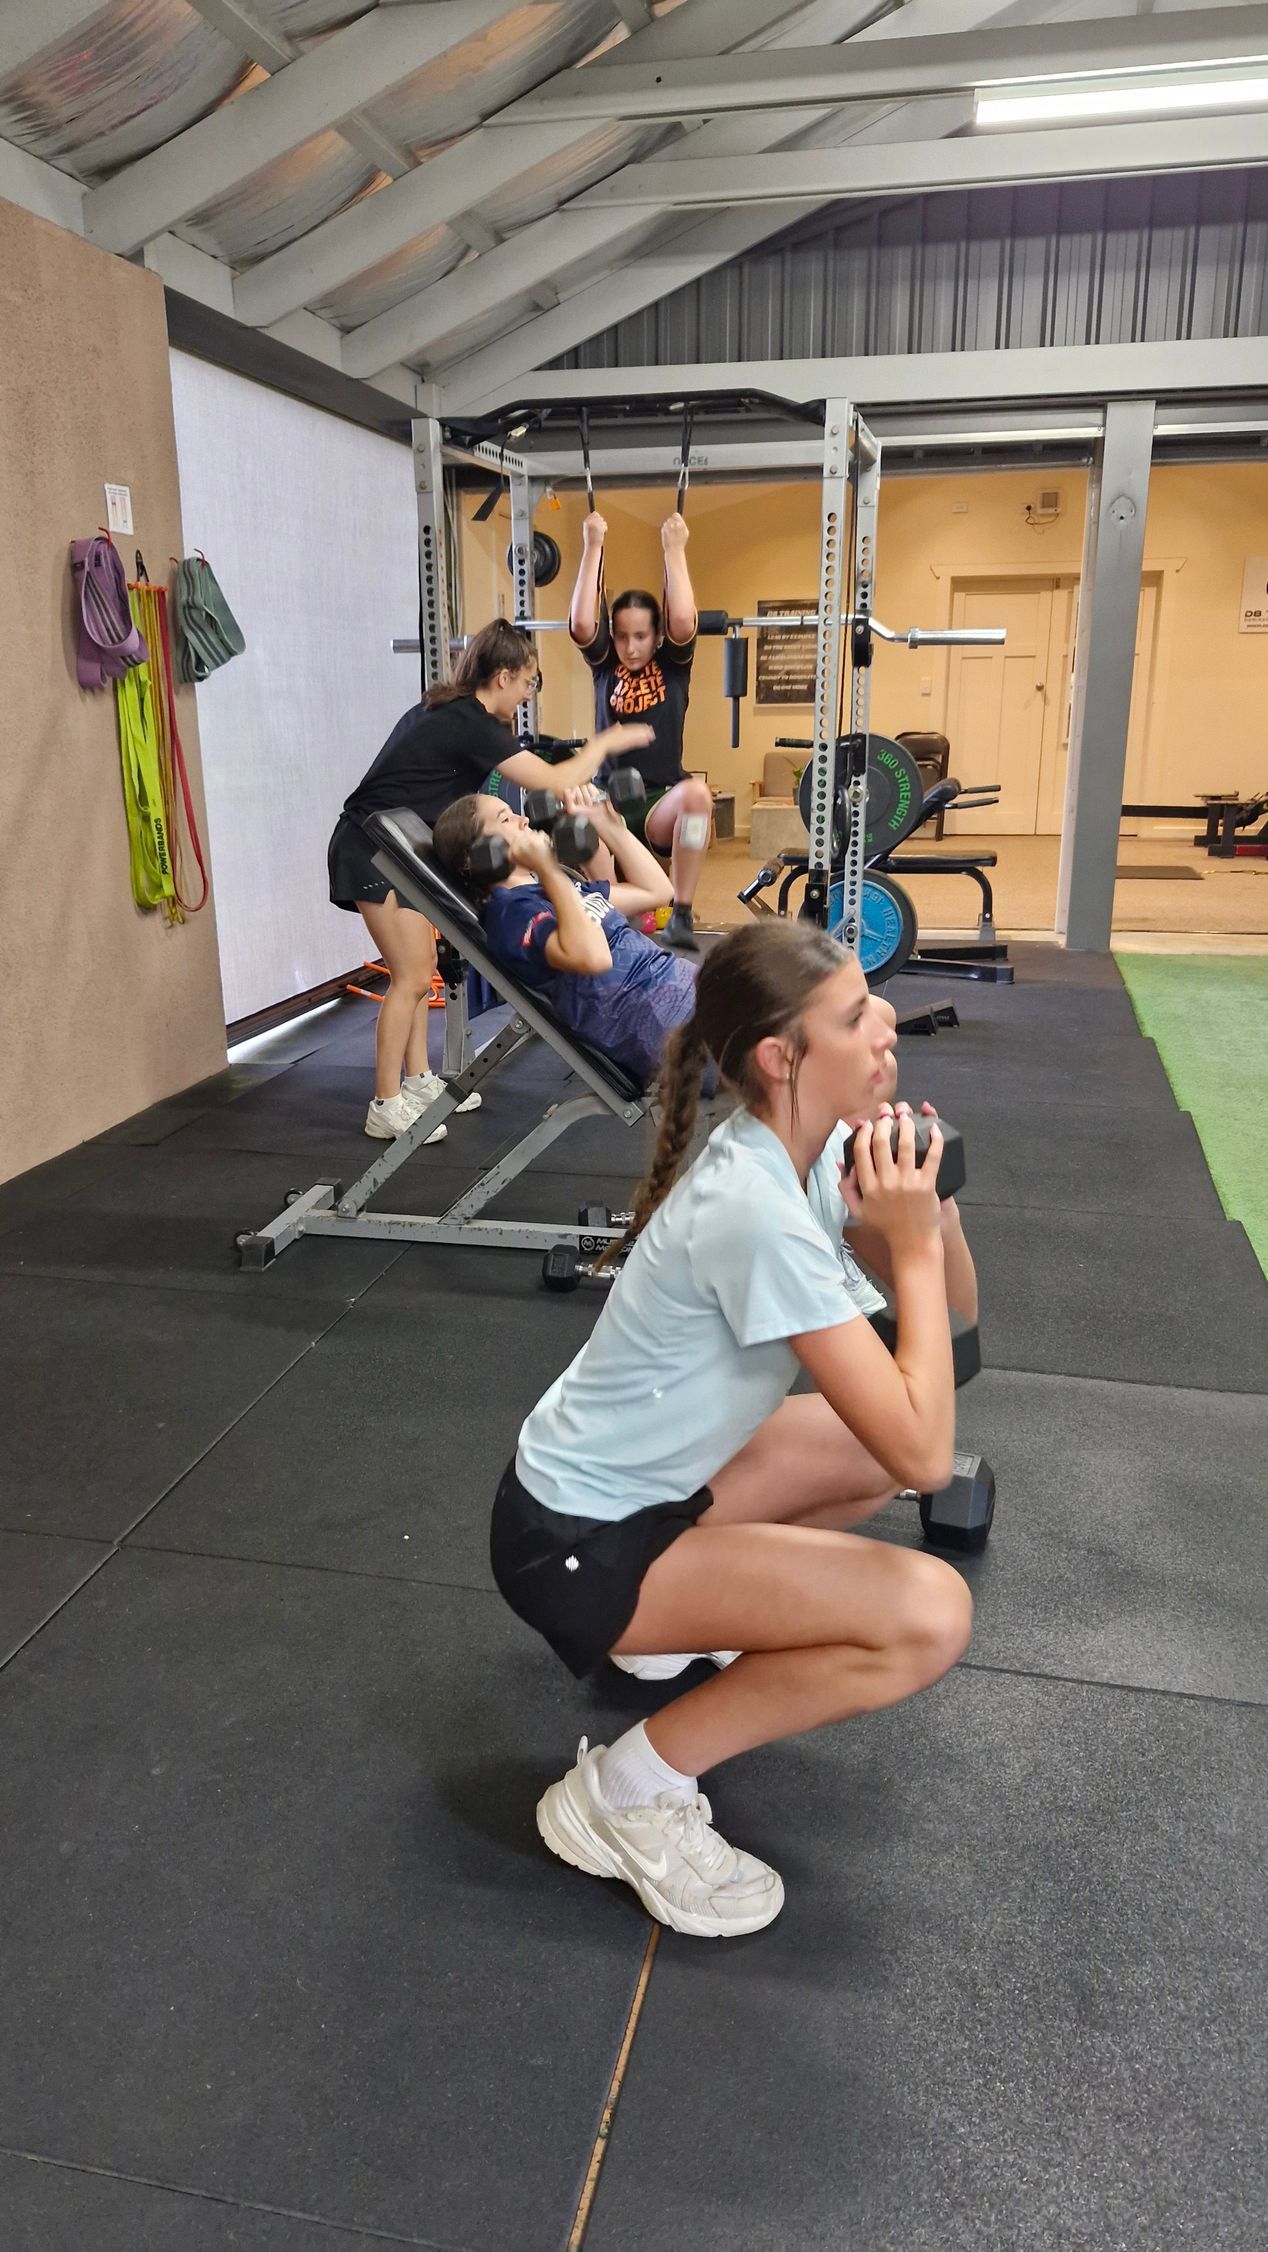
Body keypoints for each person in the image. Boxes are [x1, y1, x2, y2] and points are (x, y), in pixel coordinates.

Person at [488, 920, 977, 1939]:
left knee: (856, 1457)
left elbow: (956, 1336)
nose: (885, 1025)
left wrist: (927, 1217)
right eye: (852, 1014)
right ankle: (626, 1792)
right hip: (572, 1544)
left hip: (639, 1489)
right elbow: (928, 1451)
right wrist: (909, 1252)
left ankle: (670, 1634)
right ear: (778, 1056)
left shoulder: (807, 1148)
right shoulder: (749, 1205)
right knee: (928, 1614)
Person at [327, 620, 653, 1140]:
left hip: (393, 845)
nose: (527, 695)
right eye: (528, 683)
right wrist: (608, 741)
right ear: (502, 678)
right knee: (411, 976)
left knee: (421, 967)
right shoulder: (468, 720)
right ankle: (385, 1101)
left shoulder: (453, 712)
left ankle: (417, 1081)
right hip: (368, 848)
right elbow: (549, 779)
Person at [431, 790, 698, 1090]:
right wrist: (546, 867)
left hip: (692, 992)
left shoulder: (556, 886)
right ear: (473, 856)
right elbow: (595, 958)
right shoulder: (512, 914)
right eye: (506, 818)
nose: (524, 820)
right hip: (668, 1025)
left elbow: (658, 892)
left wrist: (609, 826)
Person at [569, 510, 713, 956]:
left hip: (658, 803)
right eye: (623, 637)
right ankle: (616, 920)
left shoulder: (674, 665)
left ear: (656, 637)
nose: (631, 647)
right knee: (581, 813)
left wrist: (674, 550)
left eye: (641, 637)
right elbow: (579, 623)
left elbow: (685, 619)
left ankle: (682, 911)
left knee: (698, 797)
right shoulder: (603, 664)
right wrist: (593, 545)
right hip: (606, 798)